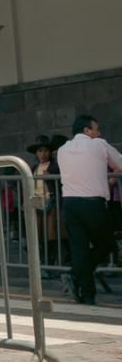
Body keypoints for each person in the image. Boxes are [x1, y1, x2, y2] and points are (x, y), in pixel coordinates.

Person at [55, 115, 122, 305]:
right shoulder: (99, 144)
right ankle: (77, 275)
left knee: (79, 249)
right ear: (87, 131)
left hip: (69, 203)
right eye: (96, 129)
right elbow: (119, 164)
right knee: (107, 244)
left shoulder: (62, 150)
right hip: (93, 204)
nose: (98, 133)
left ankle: (87, 293)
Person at [26, 135, 62, 266]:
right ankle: (43, 261)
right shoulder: (34, 168)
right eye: (40, 151)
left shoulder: (54, 167)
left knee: (51, 234)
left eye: (45, 150)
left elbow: (60, 183)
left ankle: (53, 260)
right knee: (38, 234)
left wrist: (51, 178)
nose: (43, 154)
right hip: (37, 201)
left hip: (50, 201)